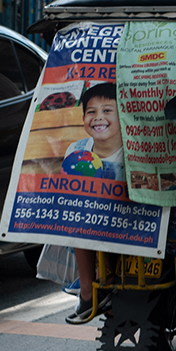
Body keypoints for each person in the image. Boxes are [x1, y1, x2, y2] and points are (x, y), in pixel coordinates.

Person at [64, 83, 122, 324]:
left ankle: (109, 277)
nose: (99, 117)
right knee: (78, 213)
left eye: (108, 111)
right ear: (83, 117)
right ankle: (88, 290)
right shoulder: (76, 149)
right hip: (88, 222)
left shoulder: (131, 150)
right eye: (91, 112)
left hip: (124, 219)